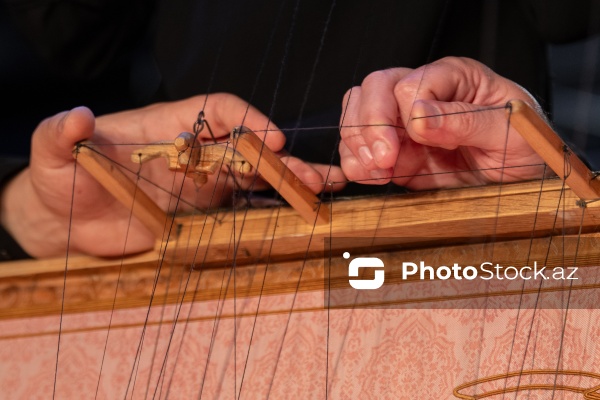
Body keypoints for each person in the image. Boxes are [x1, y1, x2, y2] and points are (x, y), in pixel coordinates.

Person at [1, 1, 598, 259]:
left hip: (475, 242)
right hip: (164, 242)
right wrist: (30, 216)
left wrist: (551, 196)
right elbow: (68, 35)